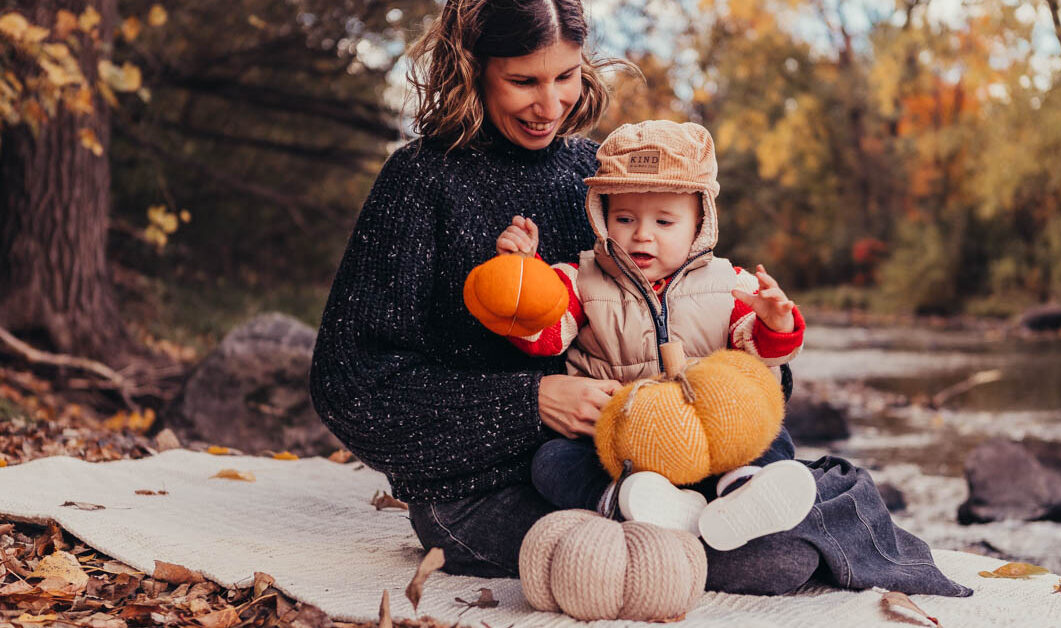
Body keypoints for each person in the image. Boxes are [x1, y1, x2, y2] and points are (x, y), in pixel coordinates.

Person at [308, 0, 972, 597]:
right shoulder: (420, 182)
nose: (551, 104)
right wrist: (530, 403)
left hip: (653, 453)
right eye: (524, 81)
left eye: (566, 76)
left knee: (766, 543)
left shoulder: (599, 177)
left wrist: (747, 359)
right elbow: (350, 386)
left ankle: (771, 495)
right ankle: (824, 501)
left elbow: (688, 304)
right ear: (472, 67)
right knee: (765, 561)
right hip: (488, 486)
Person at [494, 120, 815, 551]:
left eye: (664, 221)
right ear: (601, 216)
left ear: (700, 223)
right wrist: (523, 277)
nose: (642, 234)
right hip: (624, 444)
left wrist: (776, 323)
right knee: (551, 462)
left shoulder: (730, 284)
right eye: (624, 218)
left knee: (772, 433)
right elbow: (542, 335)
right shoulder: (579, 280)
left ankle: (740, 492)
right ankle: (630, 503)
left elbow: (758, 352)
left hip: (711, 438)